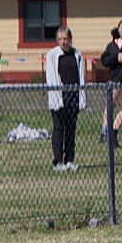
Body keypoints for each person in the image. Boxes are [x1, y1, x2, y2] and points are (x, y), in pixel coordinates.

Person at [45, 27, 86, 171]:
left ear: (70, 39)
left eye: (65, 38)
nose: (63, 42)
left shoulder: (76, 54)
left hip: (73, 96)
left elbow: (81, 76)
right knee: (59, 128)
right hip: (59, 96)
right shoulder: (52, 55)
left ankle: (69, 160)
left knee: (71, 129)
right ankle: (58, 161)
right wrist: (56, 96)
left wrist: (81, 96)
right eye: (60, 39)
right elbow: (51, 77)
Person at [99, 20, 122, 143]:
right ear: (118, 29)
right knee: (110, 104)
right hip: (115, 78)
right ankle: (105, 131)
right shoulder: (112, 45)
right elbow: (105, 59)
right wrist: (115, 59)